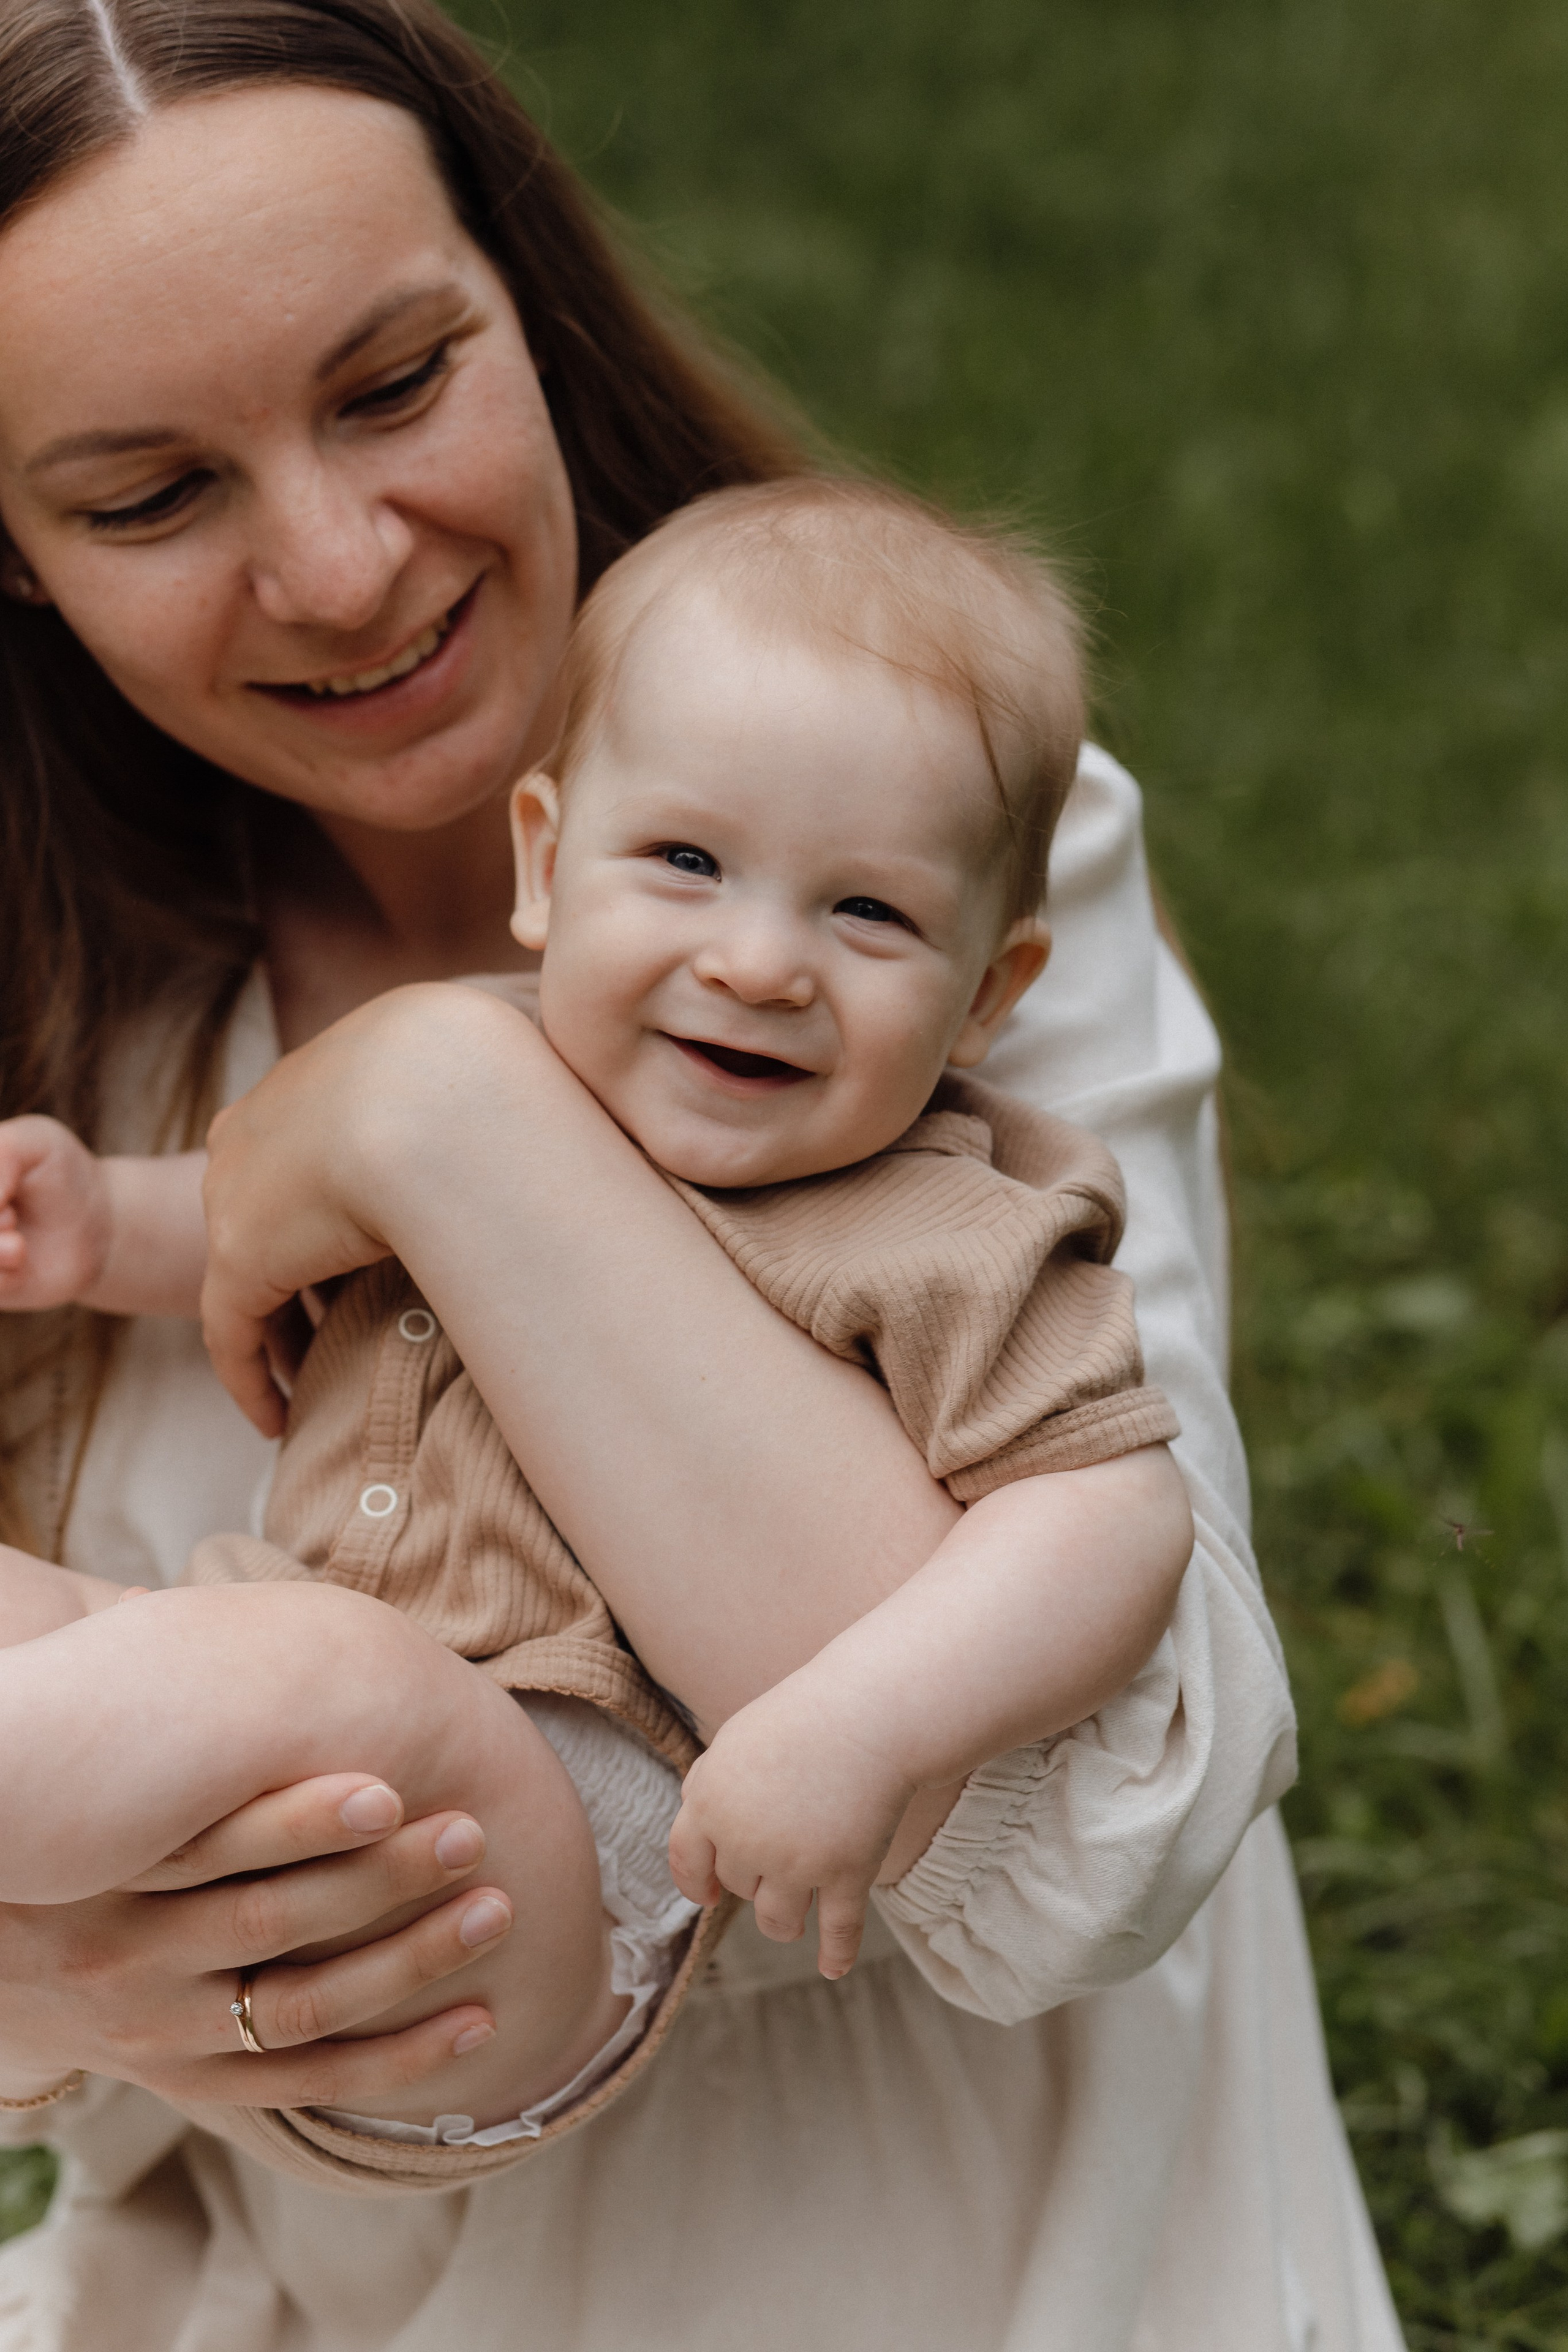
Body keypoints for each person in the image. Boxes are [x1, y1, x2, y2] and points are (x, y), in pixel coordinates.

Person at [0, 0, 1404, 2342]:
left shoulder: (907, 875)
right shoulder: (75, 1026)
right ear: (17, 558)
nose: (339, 569)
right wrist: (62, 1991)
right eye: (150, 498)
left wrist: (436, 1111)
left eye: (395, 385)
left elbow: (1089, 1845)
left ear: (532, 314)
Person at [0, 478, 1194, 2174]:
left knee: (303, 1670)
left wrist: (860, 1727)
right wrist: (105, 1223)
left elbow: (1112, 1516)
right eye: (689, 863)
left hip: (537, 1861)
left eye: (866, 912)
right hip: (272, 1828)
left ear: (990, 993)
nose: (760, 963)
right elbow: (262, 1209)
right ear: (547, 864)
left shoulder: (952, 1223)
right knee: (65, 1619)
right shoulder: (503, 1051)